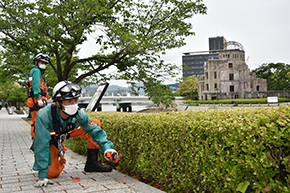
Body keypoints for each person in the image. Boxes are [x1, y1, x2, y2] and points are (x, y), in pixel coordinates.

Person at [33, 81, 119, 187]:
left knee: (94, 123)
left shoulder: (79, 113)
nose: (73, 104)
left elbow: (95, 131)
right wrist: (42, 175)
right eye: (68, 101)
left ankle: (92, 163)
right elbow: (41, 144)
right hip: (51, 138)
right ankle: (56, 156)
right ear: (58, 103)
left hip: (67, 132)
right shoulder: (43, 116)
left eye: (75, 100)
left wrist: (107, 148)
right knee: (52, 173)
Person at [26, 53, 50, 151]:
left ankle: (35, 142)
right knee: (39, 122)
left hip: (33, 99)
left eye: (45, 63)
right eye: (42, 62)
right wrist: (39, 98)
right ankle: (37, 143)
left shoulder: (32, 71)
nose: (44, 64)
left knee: (36, 121)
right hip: (37, 99)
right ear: (36, 62)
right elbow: (36, 86)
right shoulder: (36, 71)